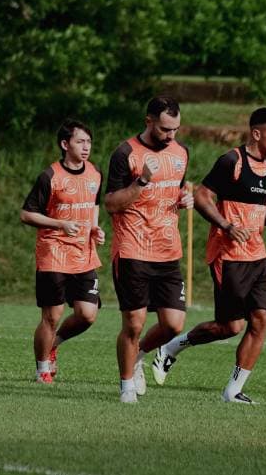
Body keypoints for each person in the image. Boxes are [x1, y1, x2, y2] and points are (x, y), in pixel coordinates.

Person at [151, 108, 266, 404]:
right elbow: (203, 197)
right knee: (230, 327)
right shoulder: (231, 161)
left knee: (260, 321)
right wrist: (227, 226)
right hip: (228, 256)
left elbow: (262, 214)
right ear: (256, 134)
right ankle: (171, 348)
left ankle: (233, 390)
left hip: (258, 257)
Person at [104, 96, 193, 403]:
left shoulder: (182, 152)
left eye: (176, 129)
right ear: (149, 122)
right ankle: (127, 386)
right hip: (132, 249)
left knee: (173, 323)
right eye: (166, 129)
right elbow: (112, 205)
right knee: (134, 323)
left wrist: (183, 199)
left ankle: (139, 355)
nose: (171, 136)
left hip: (168, 250)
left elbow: (175, 190)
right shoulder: (125, 153)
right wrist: (142, 179)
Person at [21, 119, 104, 384]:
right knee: (52, 315)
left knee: (88, 314)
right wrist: (60, 224)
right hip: (53, 253)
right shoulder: (50, 176)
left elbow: (94, 205)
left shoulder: (95, 173)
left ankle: (53, 344)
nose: (86, 146)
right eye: (80, 141)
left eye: (89, 142)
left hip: (83, 255)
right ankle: (42, 369)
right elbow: (26, 214)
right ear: (65, 144)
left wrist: (95, 228)